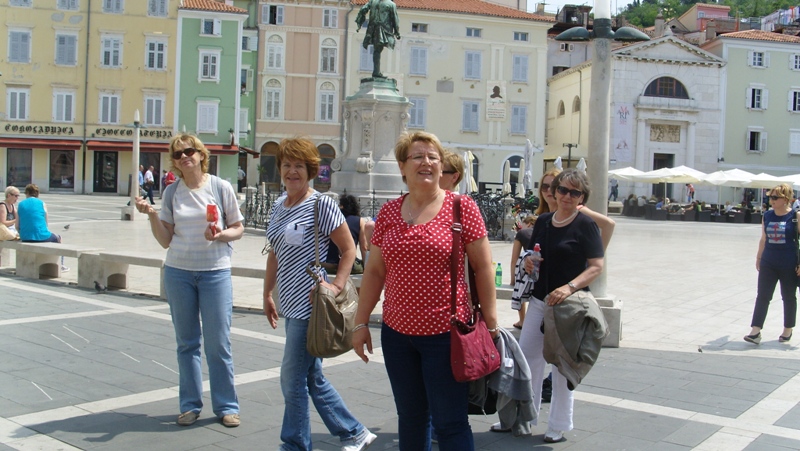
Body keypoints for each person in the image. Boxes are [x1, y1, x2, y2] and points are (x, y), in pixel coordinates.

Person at [353, 131, 497, 451]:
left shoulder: (461, 207)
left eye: (433, 157)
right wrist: (360, 322)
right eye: (417, 156)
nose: (426, 162)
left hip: (446, 335)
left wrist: (491, 323)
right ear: (402, 167)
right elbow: (375, 272)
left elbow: (484, 268)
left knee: (450, 423)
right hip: (397, 335)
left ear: (442, 165)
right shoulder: (389, 212)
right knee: (411, 417)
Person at [262, 138, 376, 451]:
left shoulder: (320, 204)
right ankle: (354, 432)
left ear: (311, 170)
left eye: (299, 165)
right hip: (289, 303)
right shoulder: (278, 206)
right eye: (287, 165)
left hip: (311, 306)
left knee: (291, 378)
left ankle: (295, 444)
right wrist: (267, 293)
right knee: (311, 377)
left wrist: (337, 285)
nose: (292, 171)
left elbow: (348, 249)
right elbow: (274, 253)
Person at [135, 134, 244, 428]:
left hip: (215, 272)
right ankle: (190, 405)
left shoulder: (220, 187)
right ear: (174, 161)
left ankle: (227, 406)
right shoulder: (172, 192)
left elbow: (238, 228)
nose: (184, 156)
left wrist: (220, 235)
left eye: (189, 151)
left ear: (201, 154)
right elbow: (165, 240)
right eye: (178, 154)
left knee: (218, 343)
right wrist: (152, 215)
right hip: (179, 272)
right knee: (187, 343)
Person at [521, 169, 605, 443]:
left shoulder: (585, 225)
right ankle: (526, 415)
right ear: (554, 191)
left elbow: (596, 266)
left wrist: (570, 287)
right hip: (539, 300)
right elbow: (534, 253)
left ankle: (558, 424)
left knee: (562, 366)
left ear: (582, 197)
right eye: (563, 190)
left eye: (574, 192)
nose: (567, 196)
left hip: (568, 307)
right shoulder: (544, 221)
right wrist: (528, 261)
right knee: (527, 359)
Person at [744, 184, 799, 345]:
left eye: (775, 197)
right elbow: (763, 238)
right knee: (763, 296)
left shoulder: (795, 216)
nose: (771, 200)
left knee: (788, 296)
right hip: (769, 261)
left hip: (789, 263)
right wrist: (759, 257)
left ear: (786, 199)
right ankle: (755, 330)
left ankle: (788, 329)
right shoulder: (767, 215)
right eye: (770, 197)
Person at [17, 184, 68, 271]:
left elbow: (17, 226)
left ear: (27, 193)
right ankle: (61, 265)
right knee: (58, 238)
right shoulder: (42, 203)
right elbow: (46, 223)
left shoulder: (20, 204)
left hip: (25, 237)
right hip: (41, 236)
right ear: (37, 193)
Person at [323, 194, 367, 275]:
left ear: (341, 206)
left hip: (328, 265)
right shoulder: (359, 221)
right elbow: (364, 247)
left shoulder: (332, 220)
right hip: (348, 266)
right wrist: (366, 267)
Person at [355, 0, 401, 78]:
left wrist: (360, 22)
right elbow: (395, 19)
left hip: (372, 29)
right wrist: (397, 32)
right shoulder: (391, 4)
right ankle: (376, 72)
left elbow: (363, 9)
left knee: (377, 50)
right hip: (384, 29)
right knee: (378, 50)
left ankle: (376, 71)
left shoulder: (372, 1)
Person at [510, 215, 537, 329]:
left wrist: (513, 280)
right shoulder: (542, 231)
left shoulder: (522, 233)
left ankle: (522, 321)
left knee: (520, 289)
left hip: (528, 267)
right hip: (541, 266)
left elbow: (514, 259)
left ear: (529, 223)